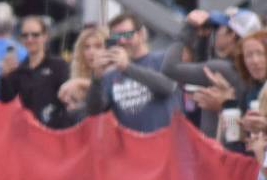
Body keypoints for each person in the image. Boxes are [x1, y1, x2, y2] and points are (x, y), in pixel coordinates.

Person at [161, 9, 259, 138]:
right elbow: (203, 65)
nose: (214, 32)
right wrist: (203, 39)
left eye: (218, 28)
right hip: (239, 145)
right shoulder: (242, 69)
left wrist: (187, 31)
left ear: (232, 35)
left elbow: (169, 68)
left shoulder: (223, 68)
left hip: (222, 148)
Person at [84, 13, 176, 132]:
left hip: (162, 144)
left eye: (127, 34)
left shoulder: (162, 59)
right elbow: (94, 111)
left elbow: (168, 86)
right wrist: (96, 78)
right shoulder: (111, 74)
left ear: (141, 34)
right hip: (129, 147)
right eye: (116, 36)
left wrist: (127, 67)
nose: (121, 40)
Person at [0, 15, 71, 128]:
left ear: (45, 36)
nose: (29, 39)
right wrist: (4, 76)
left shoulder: (58, 65)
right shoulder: (19, 69)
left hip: (54, 133)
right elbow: (6, 100)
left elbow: (68, 98)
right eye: (25, 35)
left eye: (35, 35)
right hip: (27, 133)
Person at [58, 25, 107, 125]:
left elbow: (108, 92)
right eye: (87, 47)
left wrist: (79, 82)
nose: (91, 52)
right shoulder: (77, 77)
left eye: (98, 46)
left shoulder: (118, 73)